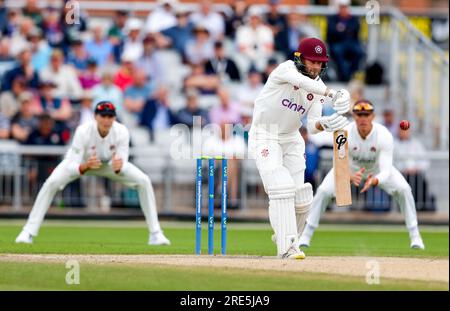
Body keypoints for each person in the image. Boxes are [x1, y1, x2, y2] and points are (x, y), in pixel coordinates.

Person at [248, 37, 351, 259]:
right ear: (299, 58)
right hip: (265, 134)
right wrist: (334, 94)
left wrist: (326, 123)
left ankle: (287, 239)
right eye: (311, 61)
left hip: (292, 138)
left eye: (320, 62)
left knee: (302, 196)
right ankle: (286, 246)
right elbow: (306, 84)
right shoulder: (285, 69)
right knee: (280, 186)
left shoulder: (319, 90)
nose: (315, 66)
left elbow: (313, 127)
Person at [15, 101, 171, 245]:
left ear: (114, 117)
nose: (106, 120)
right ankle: (27, 232)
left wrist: (119, 167)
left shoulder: (122, 131)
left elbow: (121, 163)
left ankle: (156, 233)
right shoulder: (83, 131)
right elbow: (72, 165)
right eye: (103, 116)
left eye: (110, 116)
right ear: (96, 116)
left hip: (108, 165)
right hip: (81, 163)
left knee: (143, 180)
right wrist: (85, 166)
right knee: (51, 183)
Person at [299, 100, 425, 250]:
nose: (363, 118)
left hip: (377, 171)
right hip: (348, 170)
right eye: (359, 114)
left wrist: (375, 180)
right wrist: (349, 177)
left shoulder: (383, 135)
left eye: (366, 114)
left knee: (404, 189)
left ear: (373, 116)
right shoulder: (343, 132)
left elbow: (386, 169)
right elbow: (339, 162)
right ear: (354, 116)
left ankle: (415, 235)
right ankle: (306, 235)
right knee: (323, 191)